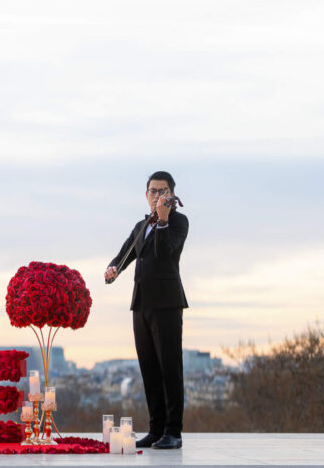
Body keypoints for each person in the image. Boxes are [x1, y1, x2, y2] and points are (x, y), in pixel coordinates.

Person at [104, 171, 189, 450]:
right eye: (153, 191)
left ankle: (173, 432)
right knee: (149, 369)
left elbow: (166, 253)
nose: (157, 196)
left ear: (172, 195)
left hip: (167, 303)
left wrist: (163, 221)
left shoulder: (178, 222)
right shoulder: (142, 225)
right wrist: (114, 267)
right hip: (141, 303)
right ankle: (156, 429)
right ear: (147, 195)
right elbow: (127, 252)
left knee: (169, 368)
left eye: (163, 191)